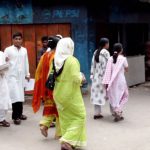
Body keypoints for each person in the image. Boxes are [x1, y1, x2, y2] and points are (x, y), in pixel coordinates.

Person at [53, 37, 86, 150]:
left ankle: (71, 142)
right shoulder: (72, 60)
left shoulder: (55, 60)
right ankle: (66, 140)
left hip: (58, 94)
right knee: (80, 116)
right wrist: (82, 77)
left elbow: (51, 76)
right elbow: (76, 79)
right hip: (71, 94)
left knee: (65, 118)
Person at [32, 36, 62, 138]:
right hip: (55, 87)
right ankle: (59, 133)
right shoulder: (55, 57)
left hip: (47, 87)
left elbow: (38, 72)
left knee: (49, 108)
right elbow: (55, 73)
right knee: (59, 111)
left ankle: (44, 125)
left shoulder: (45, 55)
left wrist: (41, 85)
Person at [4, 32, 30, 125]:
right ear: (13, 40)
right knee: (15, 96)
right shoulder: (8, 49)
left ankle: (20, 113)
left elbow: (26, 62)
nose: (18, 40)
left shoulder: (24, 50)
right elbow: (4, 62)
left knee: (21, 95)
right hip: (12, 76)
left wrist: (27, 73)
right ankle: (15, 117)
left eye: (19, 39)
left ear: (22, 40)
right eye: (16, 39)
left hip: (21, 76)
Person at [103, 43, 129, 122]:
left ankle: (117, 112)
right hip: (120, 80)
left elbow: (108, 71)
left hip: (112, 81)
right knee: (124, 96)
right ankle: (118, 111)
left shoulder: (110, 59)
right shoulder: (123, 59)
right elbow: (127, 69)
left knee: (115, 97)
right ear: (121, 50)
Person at [90, 38, 110, 119]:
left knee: (96, 95)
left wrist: (92, 74)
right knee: (110, 94)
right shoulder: (106, 53)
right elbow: (108, 66)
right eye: (108, 43)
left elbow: (93, 65)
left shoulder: (96, 52)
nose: (108, 45)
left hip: (96, 77)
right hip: (103, 77)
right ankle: (115, 111)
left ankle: (97, 113)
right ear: (105, 44)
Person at [0, 51, 11, 127]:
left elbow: (6, 66)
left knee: (3, 99)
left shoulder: (1, 53)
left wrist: (7, 62)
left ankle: (1, 119)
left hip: (1, 79)